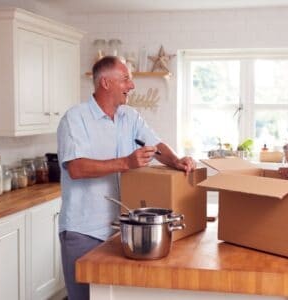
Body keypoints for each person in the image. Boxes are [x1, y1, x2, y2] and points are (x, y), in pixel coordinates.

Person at [57, 56, 196, 300]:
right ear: (105, 83)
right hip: (83, 232)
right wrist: (125, 163)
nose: (131, 86)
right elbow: (76, 168)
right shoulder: (74, 119)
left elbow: (156, 145)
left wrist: (177, 160)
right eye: (126, 79)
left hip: (120, 232)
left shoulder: (129, 117)